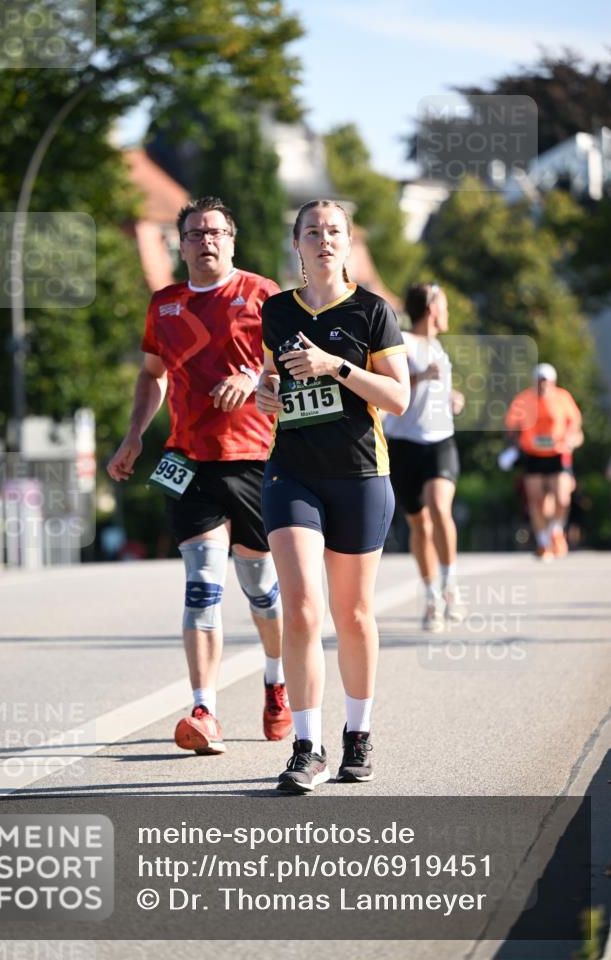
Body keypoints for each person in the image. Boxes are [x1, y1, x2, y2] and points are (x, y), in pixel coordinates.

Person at [107, 196, 292, 754]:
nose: (206, 240)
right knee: (202, 584)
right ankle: (205, 708)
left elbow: (294, 371)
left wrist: (255, 378)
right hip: (188, 461)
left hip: (256, 460)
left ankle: (276, 679)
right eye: (194, 233)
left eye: (215, 232)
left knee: (262, 591)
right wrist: (135, 433)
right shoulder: (165, 305)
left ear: (232, 240)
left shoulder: (265, 297)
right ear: (180, 244)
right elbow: (151, 375)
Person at [256, 199, 410, 794]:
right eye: (312, 231)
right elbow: (273, 376)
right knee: (300, 609)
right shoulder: (275, 311)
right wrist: (268, 394)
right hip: (291, 473)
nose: (324, 239)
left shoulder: (373, 311)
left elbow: (397, 400)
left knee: (353, 614)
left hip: (360, 475)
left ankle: (358, 734)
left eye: (334, 231)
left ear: (348, 243)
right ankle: (305, 746)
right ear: (296, 243)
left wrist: (335, 365)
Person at [382, 283, 465, 632]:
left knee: (439, 507)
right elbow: (390, 386)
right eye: (444, 305)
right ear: (432, 307)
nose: (447, 313)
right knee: (419, 523)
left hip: (440, 442)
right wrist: (419, 377)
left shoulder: (439, 347)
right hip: (403, 444)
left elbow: (436, 389)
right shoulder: (401, 340)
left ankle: (450, 586)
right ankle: (431, 596)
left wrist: (452, 396)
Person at [504, 363, 583, 560]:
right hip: (533, 456)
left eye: (546, 381)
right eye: (539, 381)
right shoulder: (523, 399)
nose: (543, 385)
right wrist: (513, 448)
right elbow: (511, 428)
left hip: (558, 454)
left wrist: (571, 440)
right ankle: (543, 542)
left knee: (562, 497)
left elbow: (575, 425)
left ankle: (555, 531)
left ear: (553, 382)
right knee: (536, 500)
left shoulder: (563, 398)